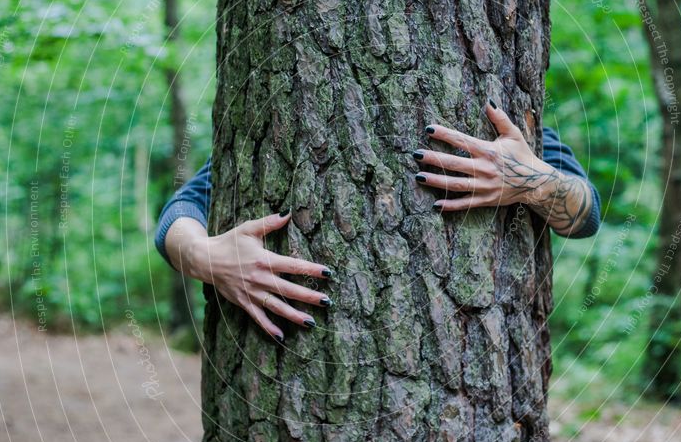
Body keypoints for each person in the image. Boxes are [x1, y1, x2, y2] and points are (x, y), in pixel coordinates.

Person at [155, 99, 600, 342]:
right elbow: (179, 213)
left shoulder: (519, 134)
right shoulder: (273, 122)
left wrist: (532, 182)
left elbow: (584, 215)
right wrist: (204, 255)